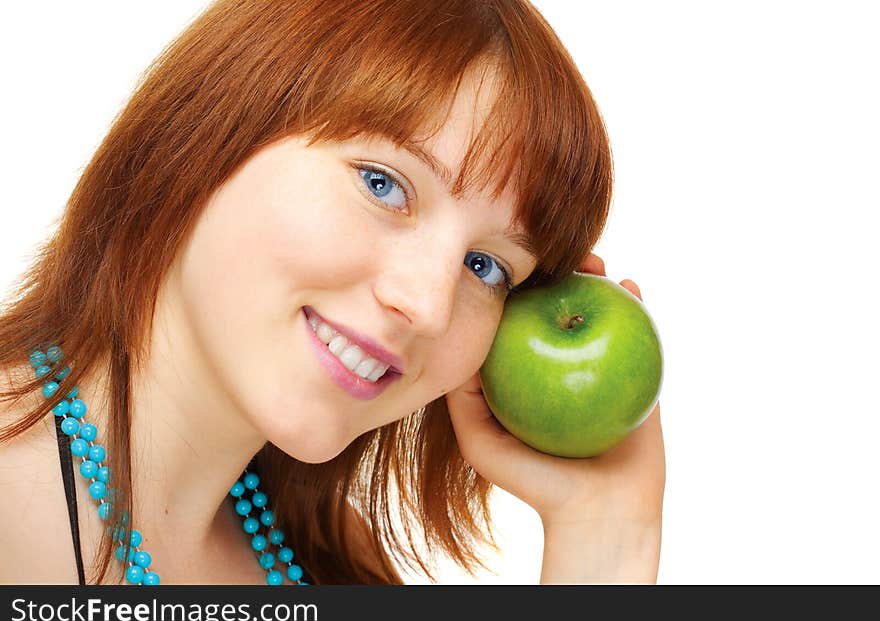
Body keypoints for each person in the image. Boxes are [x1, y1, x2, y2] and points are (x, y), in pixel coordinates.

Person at [0, 0, 664, 585]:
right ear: (204, 131)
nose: (428, 306)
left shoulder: (331, 559)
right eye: (383, 184)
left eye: (486, 266)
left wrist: (605, 538)